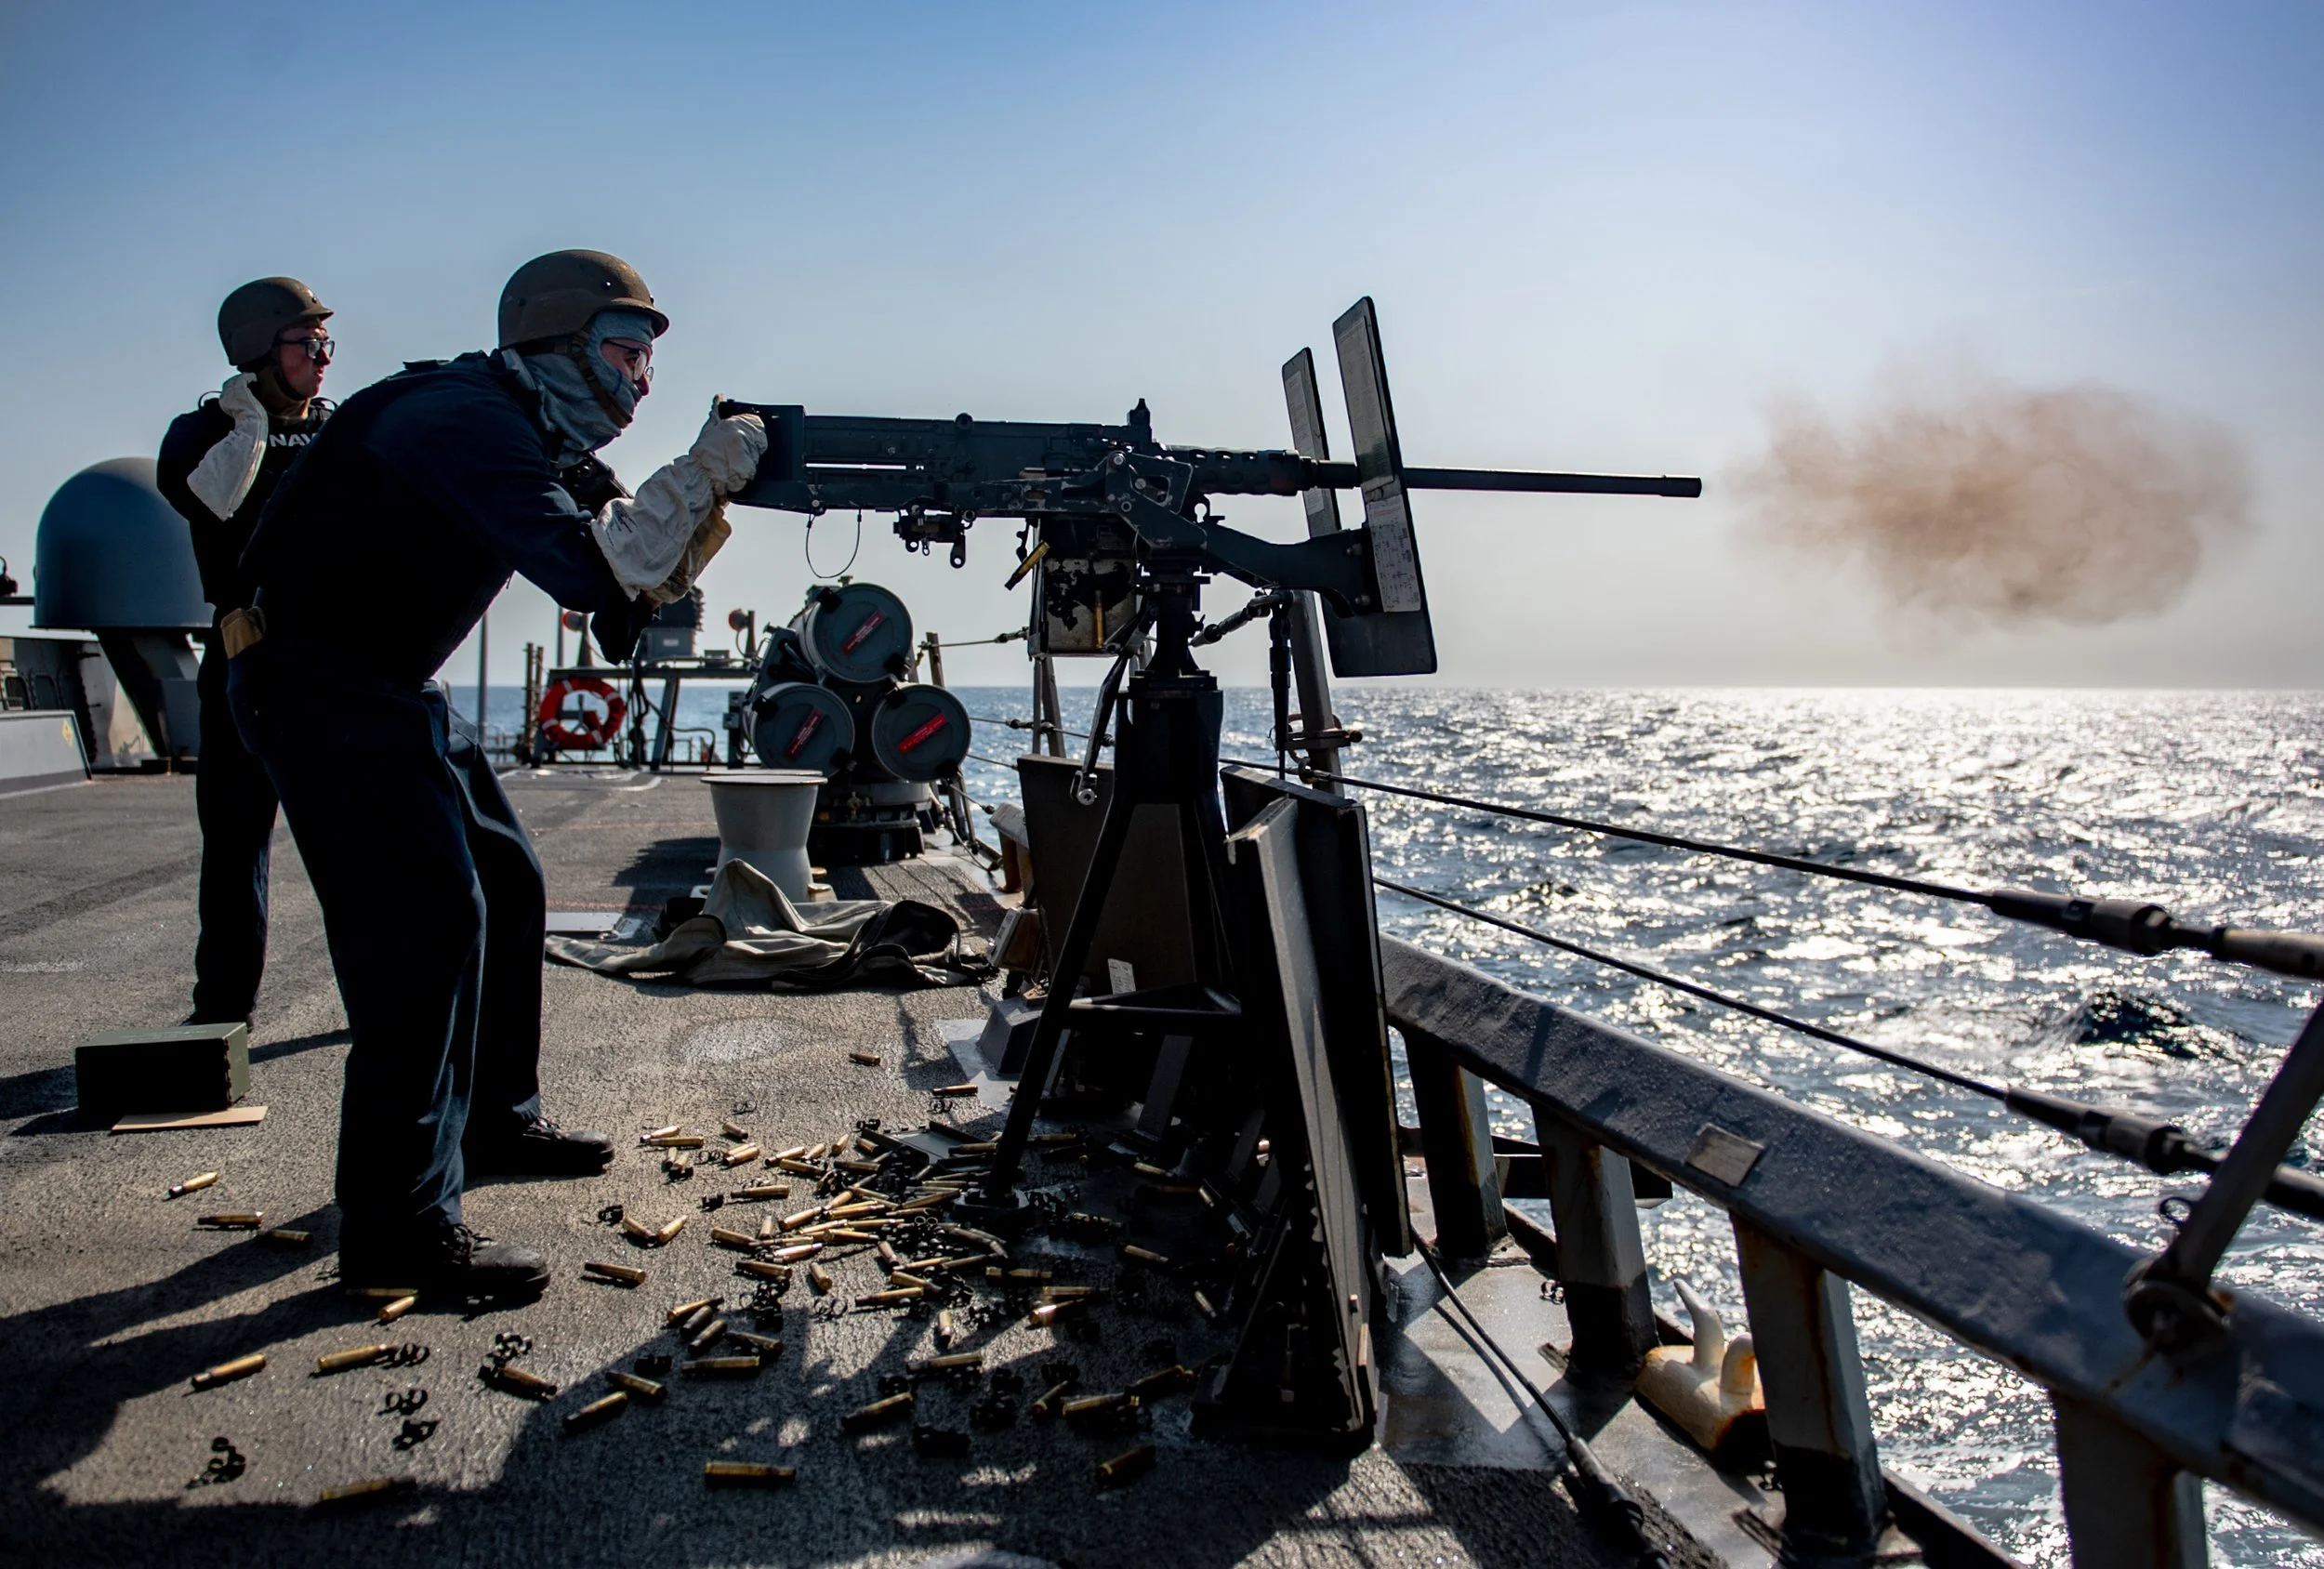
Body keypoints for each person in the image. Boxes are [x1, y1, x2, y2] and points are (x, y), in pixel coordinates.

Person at [229, 250, 766, 1299]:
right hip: (318, 683)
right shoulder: (462, 420)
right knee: (426, 925)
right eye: (625, 354)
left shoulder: (521, 427)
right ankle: (397, 1229)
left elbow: (619, 588)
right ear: (559, 347)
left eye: (649, 363)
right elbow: (590, 567)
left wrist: (676, 523)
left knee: (508, 884)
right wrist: (701, 472)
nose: (640, 382)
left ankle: (493, 1121)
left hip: (385, 678)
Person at [155, 278, 337, 1028]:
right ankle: (221, 1012)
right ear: (262, 348)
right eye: (308, 343)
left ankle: (384, 996)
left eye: (326, 344)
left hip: (334, 661)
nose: (323, 358)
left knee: (354, 843)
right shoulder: (205, 435)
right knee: (234, 844)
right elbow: (208, 497)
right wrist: (254, 429)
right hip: (246, 657)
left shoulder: (342, 430)